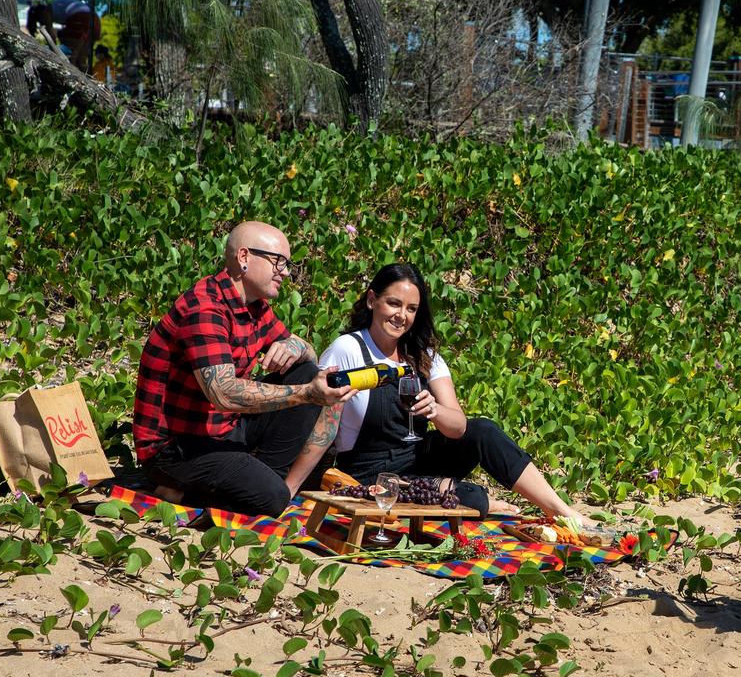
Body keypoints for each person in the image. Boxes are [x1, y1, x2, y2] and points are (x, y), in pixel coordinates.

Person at [318, 263, 585, 522]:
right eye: (394, 303)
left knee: (483, 430)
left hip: (417, 456)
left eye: (411, 309)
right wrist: (293, 484)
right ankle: (478, 500)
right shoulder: (347, 350)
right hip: (370, 470)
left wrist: (434, 410)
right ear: (372, 300)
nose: (402, 316)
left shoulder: (423, 355)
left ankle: (559, 509)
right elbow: (319, 423)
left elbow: (458, 427)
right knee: (470, 494)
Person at [133, 221, 357, 517]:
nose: (286, 272)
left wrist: (294, 347)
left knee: (306, 371)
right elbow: (223, 393)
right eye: (279, 262)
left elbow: (307, 353)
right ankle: (190, 489)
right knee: (272, 497)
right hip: (176, 448)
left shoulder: (254, 306)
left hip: (223, 432)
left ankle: (265, 481)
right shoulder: (205, 308)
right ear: (243, 258)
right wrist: (306, 393)